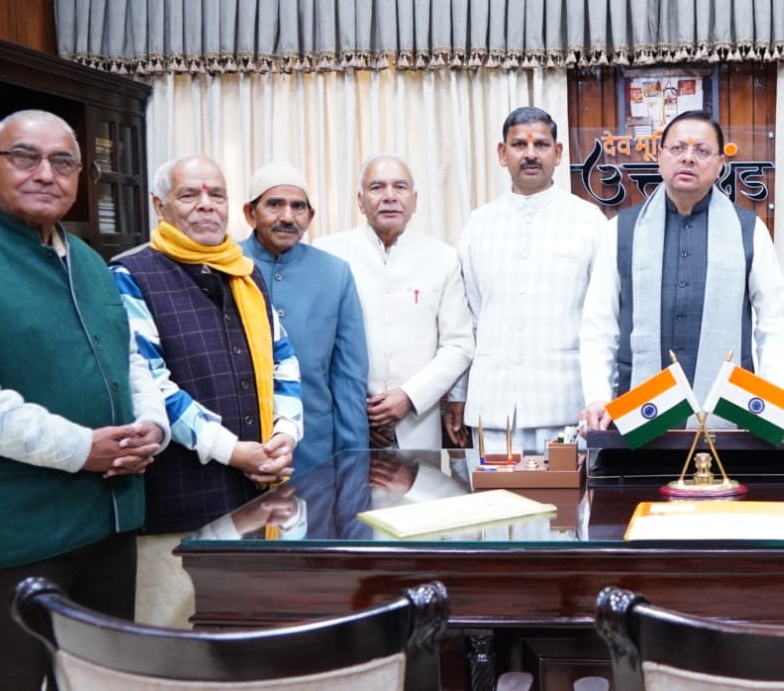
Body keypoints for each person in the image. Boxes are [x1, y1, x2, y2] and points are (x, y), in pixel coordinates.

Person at [0, 109, 168, 690]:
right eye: (25, 157)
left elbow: (130, 359)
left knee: (107, 681)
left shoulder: (89, 260)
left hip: (108, 524)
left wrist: (152, 425)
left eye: (63, 162)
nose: (46, 173)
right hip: (13, 536)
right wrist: (80, 448)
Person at [112, 154, 303, 627]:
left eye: (216, 194)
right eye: (188, 194)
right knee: (175, 642)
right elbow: (150, 383)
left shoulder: (244, 273)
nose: (206, 205)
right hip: (178, 506)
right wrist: (233, 451)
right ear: (159, 206)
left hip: (255, 496)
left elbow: (283, 360)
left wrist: (285, 434)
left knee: (248, 637)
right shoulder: (129, 275)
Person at [580, 110, 784, 429]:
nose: (688, 158)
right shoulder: (621, 230)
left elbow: (775, 322)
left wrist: (772, 401)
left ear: (720, 163)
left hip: (729, 416)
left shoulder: (749, 230)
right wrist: (598, 396)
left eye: (702, 150)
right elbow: (600, 323)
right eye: (678, 148)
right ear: (659, 156)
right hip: (635, 412)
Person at [454, 107, 604, 453]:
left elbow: (603, 321)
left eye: (541, 144)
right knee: (491, 492)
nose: (531, 154)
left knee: (568, 491)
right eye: (519, 144)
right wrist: (459, 395)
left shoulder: (588, 221)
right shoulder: (479, 224)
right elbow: (470, 318)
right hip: (493, 410)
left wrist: (602, 396)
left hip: (567, 407)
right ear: (502, 153)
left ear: (558, 153)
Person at [316, 155, 473, 449]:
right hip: (346, 422)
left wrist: (408, 396)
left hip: (416, 421)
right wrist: (355, 407)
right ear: (360, 201)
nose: (389, 196)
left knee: (420, 480)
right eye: (377, 187)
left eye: (400, 187)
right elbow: (317, 346)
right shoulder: (327, 254)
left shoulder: (443, 258)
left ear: (414, 200)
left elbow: (459, 345)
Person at [240, 160, 369, 471]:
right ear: (250, 213)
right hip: (238, 449)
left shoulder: (335, 273)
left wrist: (353, 464)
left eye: (298, 207)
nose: (287, 216)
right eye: (274, 204)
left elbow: (348, 380)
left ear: (310, 217)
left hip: (314, 451)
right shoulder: (223, 266)